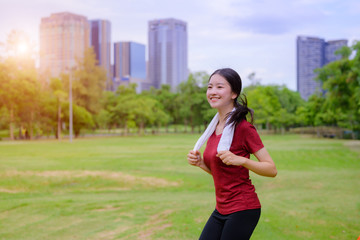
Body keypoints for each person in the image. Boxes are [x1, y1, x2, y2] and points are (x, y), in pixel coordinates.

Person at [187, 68, 277, 240]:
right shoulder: (213, 129)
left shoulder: (243, 128)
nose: (212, 92)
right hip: (221, 209)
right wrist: (201, 164)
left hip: (243, 208)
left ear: (234, 93)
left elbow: (271, 169)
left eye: (219, 87)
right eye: (210, 87)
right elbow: (223, 173)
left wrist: (241, 160)